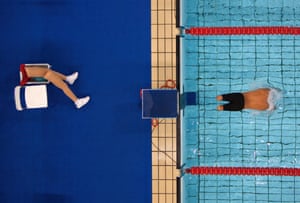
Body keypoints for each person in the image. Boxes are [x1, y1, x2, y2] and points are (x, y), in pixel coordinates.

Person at [20, 64, 90, 109]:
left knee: (48, 71)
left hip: (26, 72)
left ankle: (68, 79)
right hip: (25, 74)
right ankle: (77, 101)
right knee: (62, 85)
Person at [216, 88, 281, 111]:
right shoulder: (268, 106)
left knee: (219, 97)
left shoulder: (267, 91)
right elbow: (273, 108)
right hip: (241, 106)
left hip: (240, 96)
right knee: (220, 108)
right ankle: (220, 106)